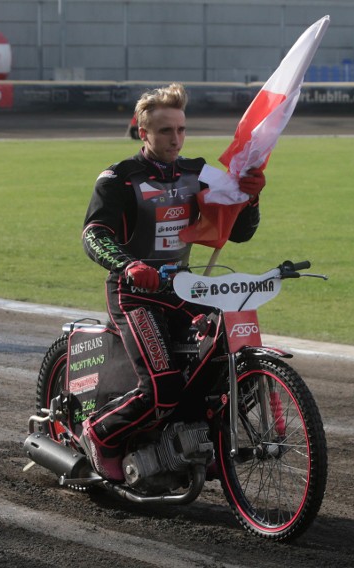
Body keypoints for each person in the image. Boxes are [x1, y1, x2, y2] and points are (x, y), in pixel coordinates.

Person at [80, 83, 266, 481]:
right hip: (133, 294)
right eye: (166, 131)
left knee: (230, 361)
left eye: (181, 130)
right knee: (162, 388)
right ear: (143, 132)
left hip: (185, 289)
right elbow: (93, 236)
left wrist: (250, 198)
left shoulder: (198, 173)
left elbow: (240, 232)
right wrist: (129, 266)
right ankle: (100, 433)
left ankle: (203, 437)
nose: (176, 139)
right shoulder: (117, 178)